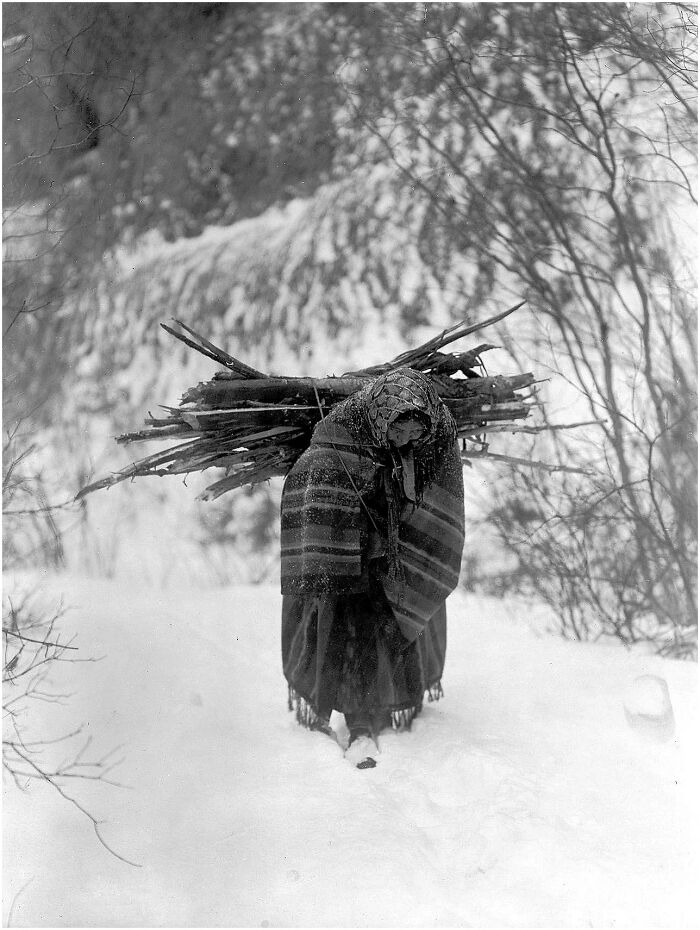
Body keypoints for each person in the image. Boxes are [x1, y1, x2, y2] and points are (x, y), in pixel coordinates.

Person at [279, 367, 465, 768]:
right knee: (352, 630)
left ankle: (394, 705)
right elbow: (317, 486)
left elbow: (438, 492)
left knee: (401, 623)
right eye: (401, 434)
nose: (409, 442)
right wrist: (354, 541)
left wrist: (409, 534)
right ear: (384, 421)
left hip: (402, 549)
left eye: (417, 434)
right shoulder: (342, 431)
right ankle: (359, 720)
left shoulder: (438, 429)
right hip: (351, 549)